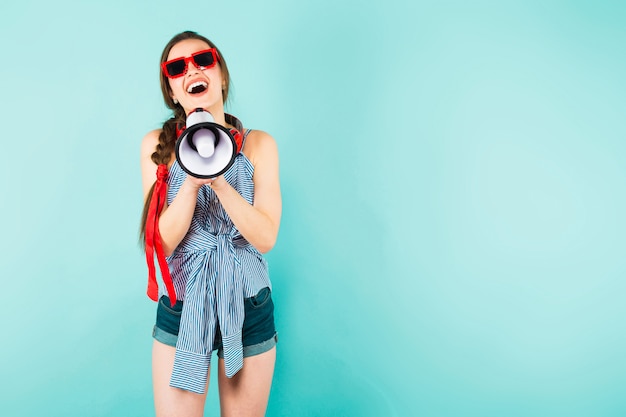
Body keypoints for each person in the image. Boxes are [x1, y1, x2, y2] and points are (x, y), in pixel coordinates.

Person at [139, 30, 281, 417]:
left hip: (248, 301)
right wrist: (189, 182)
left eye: (203, 60)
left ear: (220, 75)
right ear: (172, 91)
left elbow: (266, 237)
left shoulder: (259, 145)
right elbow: (162, 245)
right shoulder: (158, 147)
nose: (191, 71)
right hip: (184, 303)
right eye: (176, 67)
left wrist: (218, 177)